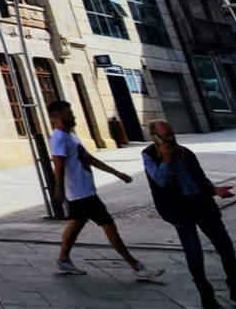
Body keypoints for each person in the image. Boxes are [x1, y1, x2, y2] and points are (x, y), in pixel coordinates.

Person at [142, 121, 236, 309]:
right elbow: (160, 180)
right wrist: (166, 160)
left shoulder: (185, 152)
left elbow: (200, 178)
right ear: (155, 137)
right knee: (194, 254)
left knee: (226, 249)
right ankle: (207, 297)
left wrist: (214, 189)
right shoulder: (149, 155)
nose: (171, 138)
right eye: (166, 135)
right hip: (179, 210)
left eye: (171, 134)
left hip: (202, 204)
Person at [48, 99, 163, 280]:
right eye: (69, 114)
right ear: (57, 117)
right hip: (81, 192)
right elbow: (58, 164)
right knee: (109, 226)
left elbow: (89, 159)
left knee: (75, 223)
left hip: (83, 190)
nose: (73, 116)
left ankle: (63, 259)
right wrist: (59, 187)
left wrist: (116, 173)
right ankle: (137, 266)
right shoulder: (59, 138)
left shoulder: (71, 136)